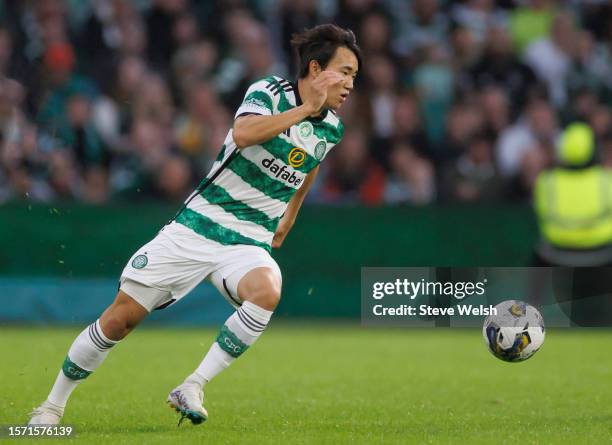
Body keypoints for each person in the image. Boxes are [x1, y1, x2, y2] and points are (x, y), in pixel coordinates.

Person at [28, 24, 360, 426]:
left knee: (267, 292)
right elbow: (243, 133)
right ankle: (52, 407)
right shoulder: (269, 92)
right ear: (315, 68)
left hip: (249, 239)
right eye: (344, 72)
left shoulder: (332, 127)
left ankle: (193, 385)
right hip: (200, 224)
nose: (349, 84)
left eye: (353, 76)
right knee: (120, 319)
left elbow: (310, 163)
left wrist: (292, 209)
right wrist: (305, 110)